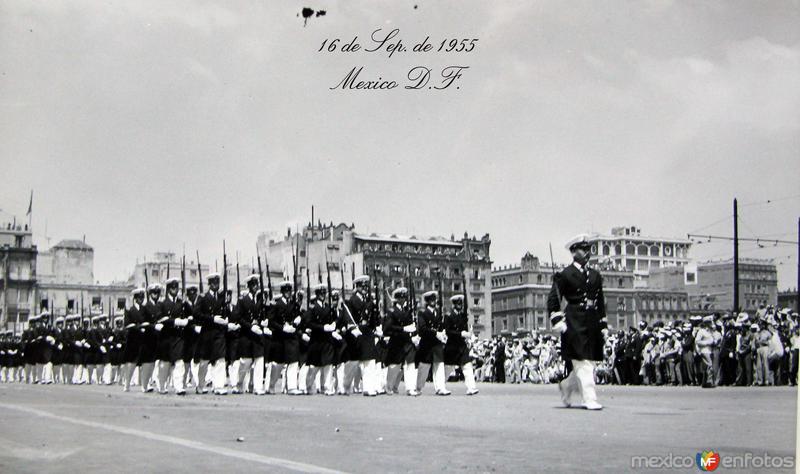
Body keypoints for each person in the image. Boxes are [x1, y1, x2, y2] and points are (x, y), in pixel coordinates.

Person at [549, 234, 608, 410]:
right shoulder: (565, 275)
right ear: (574, 252)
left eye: (589, 249)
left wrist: (603, 324)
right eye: (584, 249)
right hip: (574, 320)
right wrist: (557, 319)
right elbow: (554, 299)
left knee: (588, 360)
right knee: (583, 361)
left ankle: (567, 386)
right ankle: (589, 398)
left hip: (591, 321)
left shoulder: (595, 275)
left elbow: (600, 301)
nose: (587, 253)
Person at [196, 273, 229, 395]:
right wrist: (212, 318)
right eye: (213, 283)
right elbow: (197, 313)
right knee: (204, 362)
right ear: (209, 284)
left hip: (219, 333)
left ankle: (218, 386)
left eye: (217, 283)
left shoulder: (221, 297)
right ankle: (200, 385)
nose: (216, 285)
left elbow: (225, 312)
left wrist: (226, 321)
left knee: (220, 359)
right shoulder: (203, 297)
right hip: (207, 333)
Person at [236, 275, 268, 395]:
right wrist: (250, 326)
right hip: (247, 335)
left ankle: (258, 387)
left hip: (258, 335)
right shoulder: (243, 301)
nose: (255, 287)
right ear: (249, 287)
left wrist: (263, 322)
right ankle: (239, 383)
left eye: (257, 285)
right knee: (246, 362)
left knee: (260, 360)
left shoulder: (261, 301)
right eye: (253, 285)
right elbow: (238, 317)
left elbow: (264, 315)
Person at [156, 277, 189, 395]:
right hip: (166, 337)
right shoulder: (162, 303)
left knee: (179, 362)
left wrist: (186, 317)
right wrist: (175, 321)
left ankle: (179, 386)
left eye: (177, 288)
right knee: (165, 364)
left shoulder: (182, 303)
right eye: (173, 288)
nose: (175, 290)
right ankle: (162, 385)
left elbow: (189, 316)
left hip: (178, 336)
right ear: (168, 289)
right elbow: (160, 319)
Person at [385, 287, 419, 396]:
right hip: (397, 342)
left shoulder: (408, 311)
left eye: (404, 297)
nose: (404, 299)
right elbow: (387, 328)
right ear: (396, 299)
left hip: (408, 342)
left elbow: (412, 326)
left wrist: (414, 334)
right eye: (401, 297)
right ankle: (389, 386)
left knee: (410, 364)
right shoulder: (392, 312)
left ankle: (410, 388)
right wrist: (403, 329)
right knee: (395, 366)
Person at [416, 290, 450, 395]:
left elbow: (442, 326)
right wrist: (436, 333)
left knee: (439, 365)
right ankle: (418, 387)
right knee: (424, 367)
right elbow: (422, 329)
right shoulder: (422, 313)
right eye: (431, 300)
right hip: (427, 343)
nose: (433, 301)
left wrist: (443, 332)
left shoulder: (438, 314)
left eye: (434, 299)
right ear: (427, 301)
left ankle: (440, 388)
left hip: (437, 344)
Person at [305, 284, 337, 395]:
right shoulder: (313, 309)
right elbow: (309, 323)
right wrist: (323, 327)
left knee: (328, 365)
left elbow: (335, 319)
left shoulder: (328, 308)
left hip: (327, 341)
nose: (323, 295)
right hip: (317, 341)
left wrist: (334, 324)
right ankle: (309, 385)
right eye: (321, 294)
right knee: (314, 367)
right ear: (317, 295)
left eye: (324, 293)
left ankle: (327, 387)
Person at [444, 294, 479, 395]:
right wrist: (461, 334)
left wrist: (467, 333)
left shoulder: (463, 317)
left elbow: (465, 329)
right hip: (452, 346)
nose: (460, 305)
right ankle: (441, 386)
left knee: (467, 366)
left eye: (461, 304)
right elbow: (448, 331)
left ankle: (471, 388)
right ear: (454, 305)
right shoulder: (449, 316)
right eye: (458, 304)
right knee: (448, 368)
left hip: (461, 346)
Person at [122, 288, 146, 392]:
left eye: (142, 297)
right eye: (139, 297)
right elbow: (127, 324)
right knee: (131, 364)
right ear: (135, 299)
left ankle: (144, 385)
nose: (141, 299)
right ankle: (127, 383)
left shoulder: (145, 310)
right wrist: (138, 327)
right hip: (133, 339)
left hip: (143, 339)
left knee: (144, 363)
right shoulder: (130, 310)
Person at [694, 316, 716, 388]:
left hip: (710, 350)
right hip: (705, 350)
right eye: (709, 322)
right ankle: (709, 382)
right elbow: (697, 341)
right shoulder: (701, 331)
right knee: (710, 366)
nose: (711, 324)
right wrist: (707, 342)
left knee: (706, 367)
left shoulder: (710, 331)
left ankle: (705, 382)